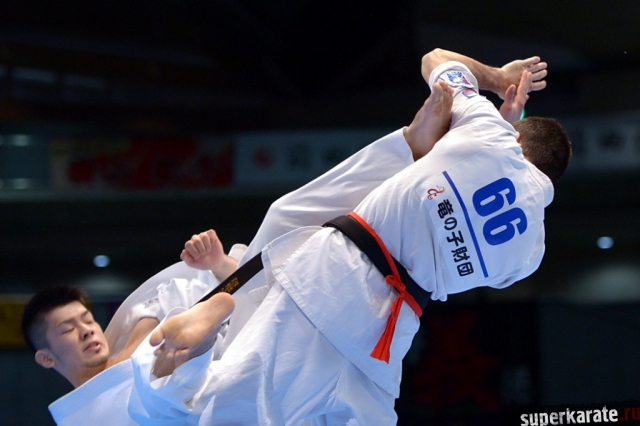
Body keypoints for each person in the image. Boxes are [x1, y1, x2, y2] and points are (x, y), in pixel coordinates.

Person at [127, 48, 570, 426]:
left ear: (515, 137)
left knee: (225, 413)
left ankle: (200, 348)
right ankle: (210, 327)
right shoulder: (530, 251)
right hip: (389, 332)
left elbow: (434, 59)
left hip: (333, 278)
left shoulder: (491, 134)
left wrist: (498, 80)